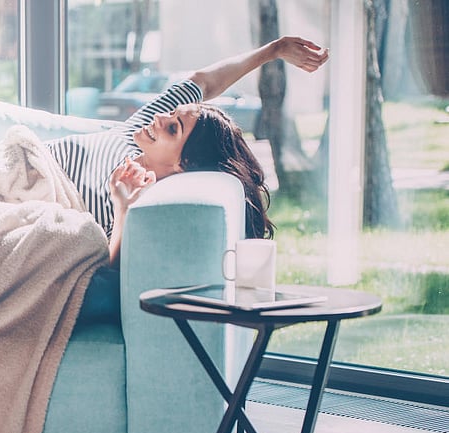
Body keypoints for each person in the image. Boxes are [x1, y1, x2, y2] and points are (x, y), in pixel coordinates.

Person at [46, 36, 330, 265]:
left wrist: (122, 208)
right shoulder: (140, 136)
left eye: (173, 128)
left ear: (184, 163)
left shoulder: (137, 198)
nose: (159, 118)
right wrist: (273, 50)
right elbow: (204, 82)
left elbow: (105, 276)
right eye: (171, 114)